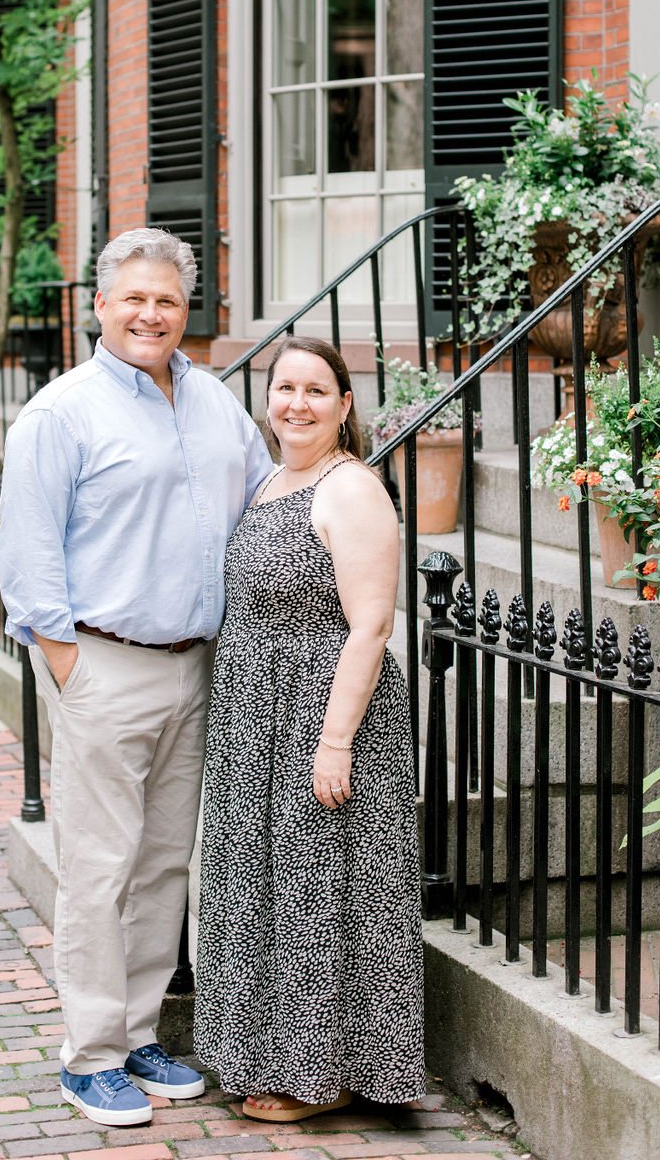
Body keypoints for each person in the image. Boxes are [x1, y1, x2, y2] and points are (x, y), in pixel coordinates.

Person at [0, 227, 272, 1127]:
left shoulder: (216, 404)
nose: (151, 313)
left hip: (198, 665)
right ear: (101, 305)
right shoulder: (61, 412)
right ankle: (91, 1055)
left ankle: (142, 1032)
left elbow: (269, 494)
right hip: (103, 665)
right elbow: (28, 553)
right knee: (99, 865)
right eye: (135, 298)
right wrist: (67, 662)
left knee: (162, 865)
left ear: (187, 310)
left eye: (168, 300)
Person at [193, 336, 425, 1120]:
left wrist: (333, 742)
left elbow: (370, 626)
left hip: (321, 713)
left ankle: (318, 1075)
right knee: (264, 891)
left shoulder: (350, 488)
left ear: (345, 405)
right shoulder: (270, 484)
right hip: (255, 715)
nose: (297, 403)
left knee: (319, 894)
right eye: (284, 388)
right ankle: (262, 1055)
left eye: (316, 391)